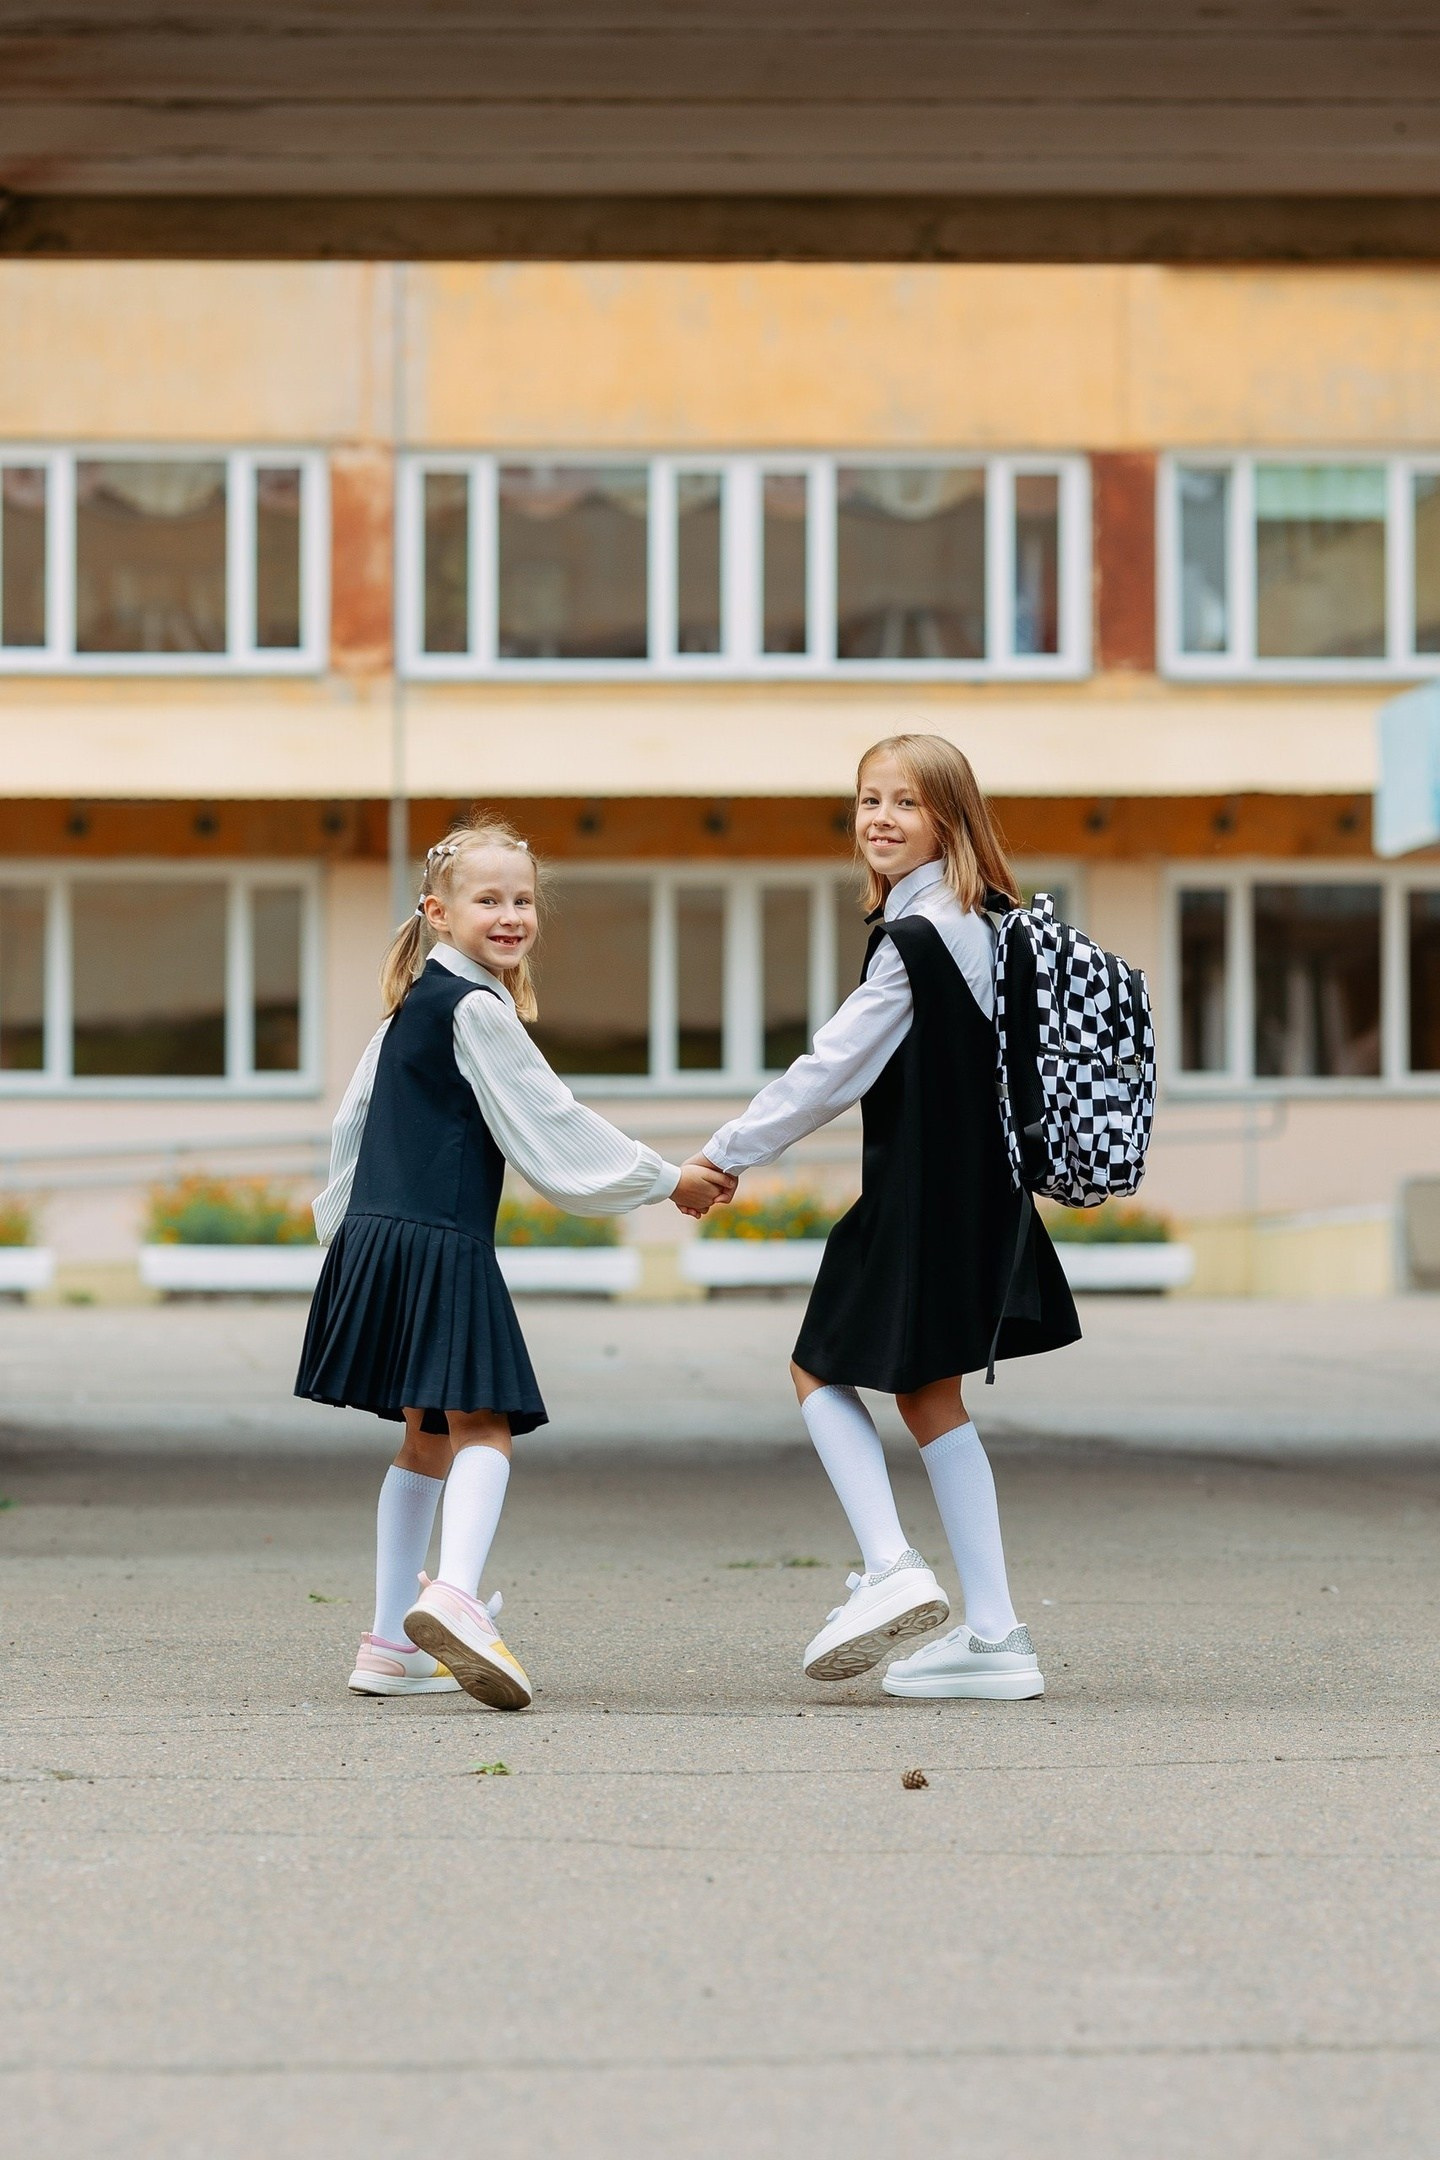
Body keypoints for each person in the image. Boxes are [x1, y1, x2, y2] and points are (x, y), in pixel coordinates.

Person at [296, 812, 731, 1710]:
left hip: (382, 1237)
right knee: (483, 1428)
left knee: (424, 1438)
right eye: (488, 898)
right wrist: (665, 1179)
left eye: (523, 899)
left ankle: (387, 1641)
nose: (511, 914)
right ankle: (454, 1595)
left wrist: (344, 1237)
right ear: (437, 911)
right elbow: (552, 1121)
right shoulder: (473, 1007)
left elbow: (349, 1124)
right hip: (442, 1240)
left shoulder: (411, 1004)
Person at [686, 734, 1080, 1701]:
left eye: (907, 802)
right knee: (931, 1400)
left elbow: (830, 1071)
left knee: (818, 1367)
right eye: (869, 800)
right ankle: (997, 1640)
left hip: (924, 1195)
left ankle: (892, 1566)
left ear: (950, 819)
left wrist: (722, 1156)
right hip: (981, 1190)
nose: (881, 818)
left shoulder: (919, 938)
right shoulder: (983, 918)